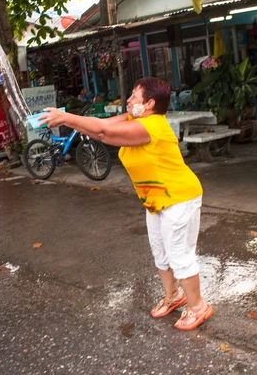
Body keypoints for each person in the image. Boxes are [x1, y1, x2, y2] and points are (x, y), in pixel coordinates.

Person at [39, 77, 212, 331]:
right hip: (156, 200)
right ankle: (174, 296)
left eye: (134, 95)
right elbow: (99, 125)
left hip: (179, 197)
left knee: (179, 255)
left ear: (150, 103)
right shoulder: (135, 119)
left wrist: (65, 119)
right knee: (161, 252)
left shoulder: (151, 126)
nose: (128, 100)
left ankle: (199, 307)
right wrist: (69, 119)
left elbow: (103, 133)